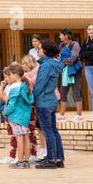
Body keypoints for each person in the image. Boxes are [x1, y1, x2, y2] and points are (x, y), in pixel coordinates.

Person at [32, 40, 65, 168]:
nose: (38, 50)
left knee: (48, 131)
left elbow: (40, 84)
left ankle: (51, 160)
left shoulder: (46, 66)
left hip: (44, 102)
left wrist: (32, 99)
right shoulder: (52, 64)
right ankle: (58, 158)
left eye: (39, 48)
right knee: (53, 130)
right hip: (51, 101)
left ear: (44, 51)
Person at [2, 62, 34, 168]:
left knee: (19, 138)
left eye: (9, 75)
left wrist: (4, 112)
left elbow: (11, 105)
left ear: (15, 75)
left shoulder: (14, 88)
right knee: (25, 137)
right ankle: (26, 161)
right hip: (24, 117)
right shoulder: (24, 86)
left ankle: (20, 161)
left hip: (16, 117)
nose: (8, 77)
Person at [21, 53, 44, 161]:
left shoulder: (37, 70)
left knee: (42, 128)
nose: (22, 66)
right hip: (34, 103)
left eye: (23, 63)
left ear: (28, 63)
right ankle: (39, 150)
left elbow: (34, 83)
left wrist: (24, 77)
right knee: (37, 128)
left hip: (42, 101)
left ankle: (44, 150)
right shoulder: (27, 73)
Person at [57, 29, 83, 119]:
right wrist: (63, 60)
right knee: (63, 92)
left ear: (66, 36)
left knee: (76, 92)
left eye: (61, 35)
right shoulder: (61, 45)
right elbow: (58, 58)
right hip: (65, 72)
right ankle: (62, 115)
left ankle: (79, 116)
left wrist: (63, 60)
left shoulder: (75, 44)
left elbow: (72, 59)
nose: (59, 37)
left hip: (75, 72)